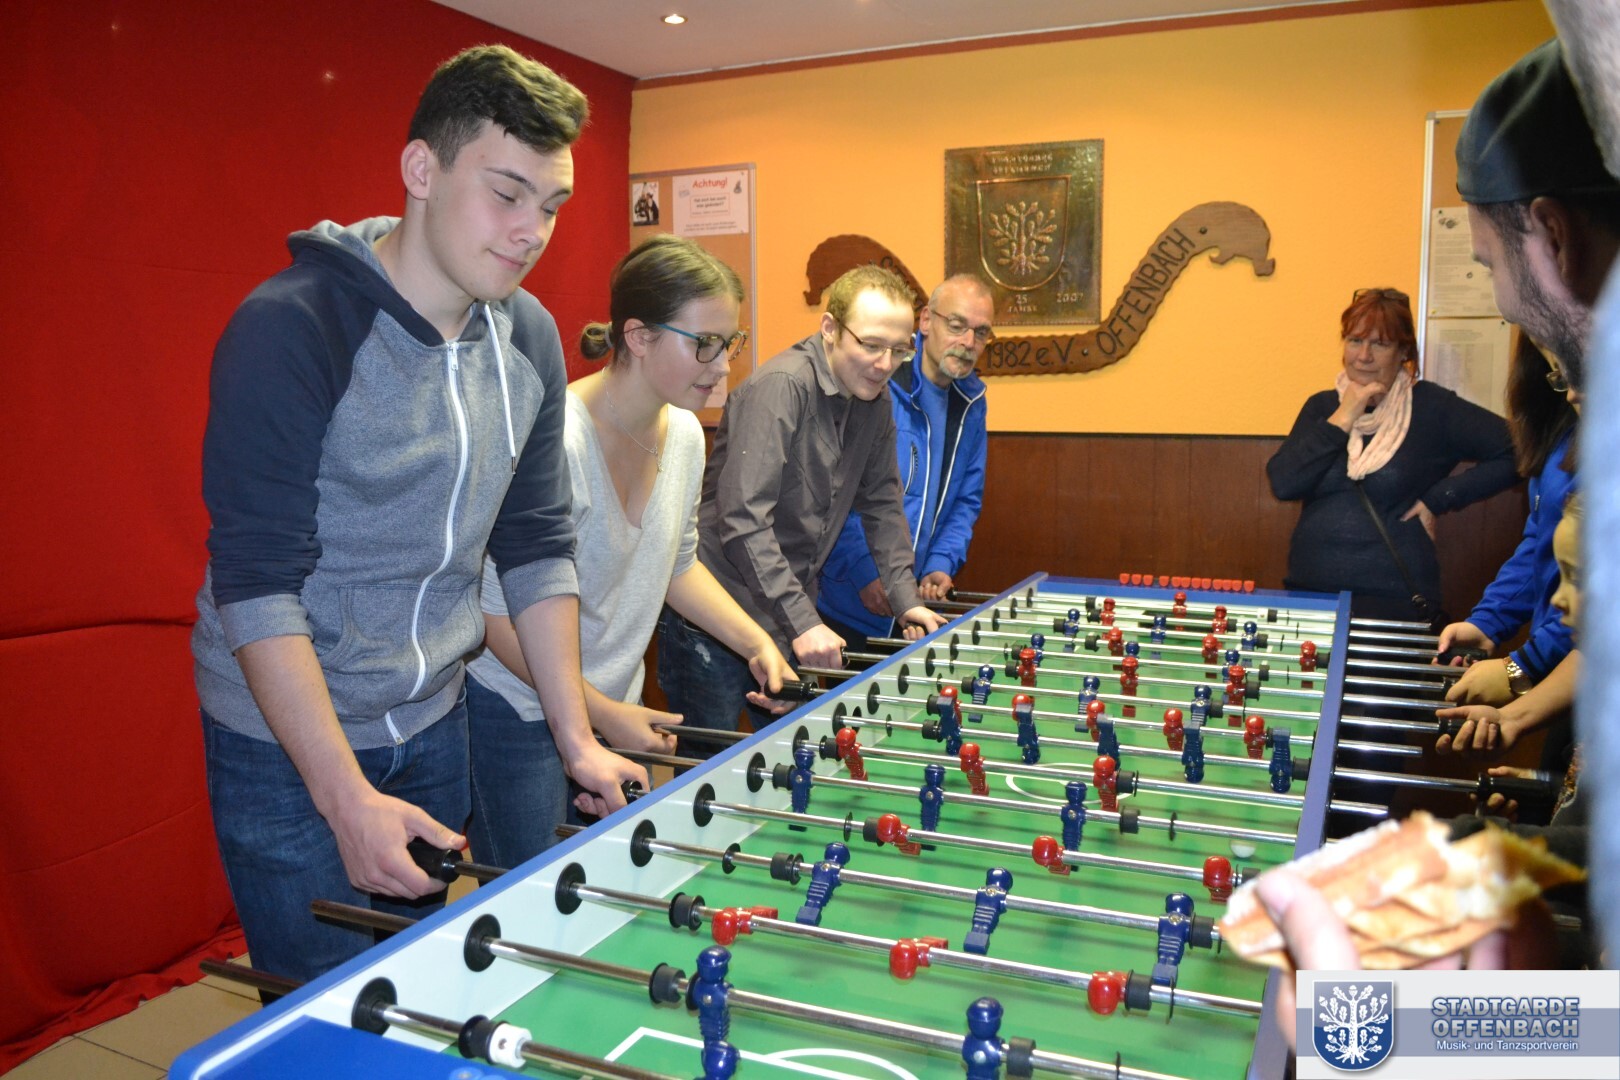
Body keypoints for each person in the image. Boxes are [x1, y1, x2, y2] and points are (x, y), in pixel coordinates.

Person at [190, 45, 645, 984]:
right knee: (323, 1016)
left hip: (436, 722)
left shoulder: (528, 336)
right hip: (289, 746)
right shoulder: (292, 325)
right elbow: (257, 583)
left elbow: (535, 546)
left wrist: (576, 738)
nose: (531, 231)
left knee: (418, 996)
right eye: (507, 193)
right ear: (421, 170)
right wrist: (344, 798)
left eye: (551, 205)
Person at [464, 235, 795, 867]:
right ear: (638, 336)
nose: (723, 366)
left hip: (616, 702)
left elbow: (677, 565)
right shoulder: (556, 439)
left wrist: (756, 641)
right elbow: (489, 614)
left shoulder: (687, 433)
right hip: (517, 708)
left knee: (605, 885)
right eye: (704, 343)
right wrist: (601, 713)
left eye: (730, 343)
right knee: (534, 895)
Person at [659, 264, 949, 732]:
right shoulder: (782, 387)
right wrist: (804, 622)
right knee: (710, 759)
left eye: (899, 350)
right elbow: (743, 520)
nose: (884, 364)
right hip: (717, 616)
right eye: (871, 345)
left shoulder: (875, 399)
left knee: (787, 750)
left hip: (785, 612)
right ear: (830, 328)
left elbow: (882, 501)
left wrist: (905, 597)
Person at [1266, 287, 1517, 622]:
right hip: (1311, 596)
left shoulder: (1432, 407)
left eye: (1380, 344)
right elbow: (1284, 483)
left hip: (1395, 602)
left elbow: (1518, 449)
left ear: (1403, 352)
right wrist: (1344, 416)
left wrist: (1440, 498)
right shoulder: (1322, 408)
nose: (1363, 355)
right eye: (1355, 340)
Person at [818, 275, 993, 648]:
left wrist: (940, 563)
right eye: (957, 325)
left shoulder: (972, 404)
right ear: (926, 321)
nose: (968, 342)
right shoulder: (874, 385)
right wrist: (864, 570)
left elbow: (965, 500)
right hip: (841, 606)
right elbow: (834, 495)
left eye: (980, 333)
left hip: (910, 607)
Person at [1436, 336, 1577, 710]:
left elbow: (1600, 607)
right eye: (1558, 375)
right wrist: (1488, 622)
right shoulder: (1563, 434)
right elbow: (1540, 544)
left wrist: (1521, 669)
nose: (1570, 392)